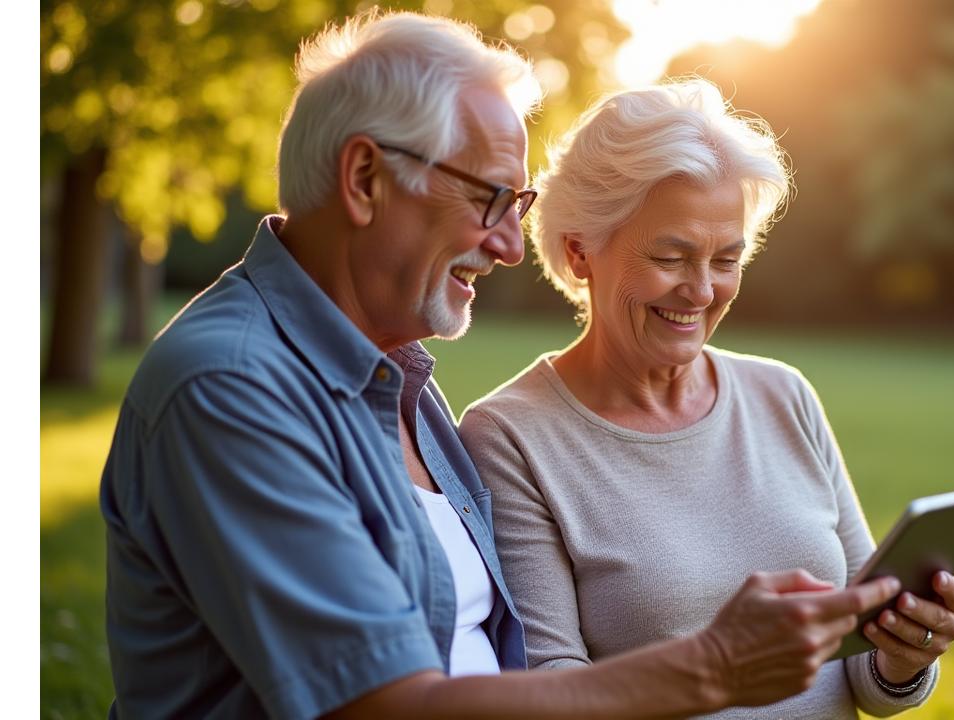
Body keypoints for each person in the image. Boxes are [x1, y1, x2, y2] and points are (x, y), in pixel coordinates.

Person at [98, 11, 908, 720]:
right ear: (365, 179)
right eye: (488, 199)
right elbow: (377, 705)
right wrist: (715, 667)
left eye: (515, 208)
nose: (511, 245)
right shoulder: (232, 387)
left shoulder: (399, 382)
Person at [457, 80, 954, 718]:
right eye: (671, 256)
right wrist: (716, 668)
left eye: (726, 260)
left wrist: (903, 656)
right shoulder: (509, 436)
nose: (700, 291)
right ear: (579, 251)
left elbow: (865, 665)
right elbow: (552, 689)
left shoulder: (784, 395)